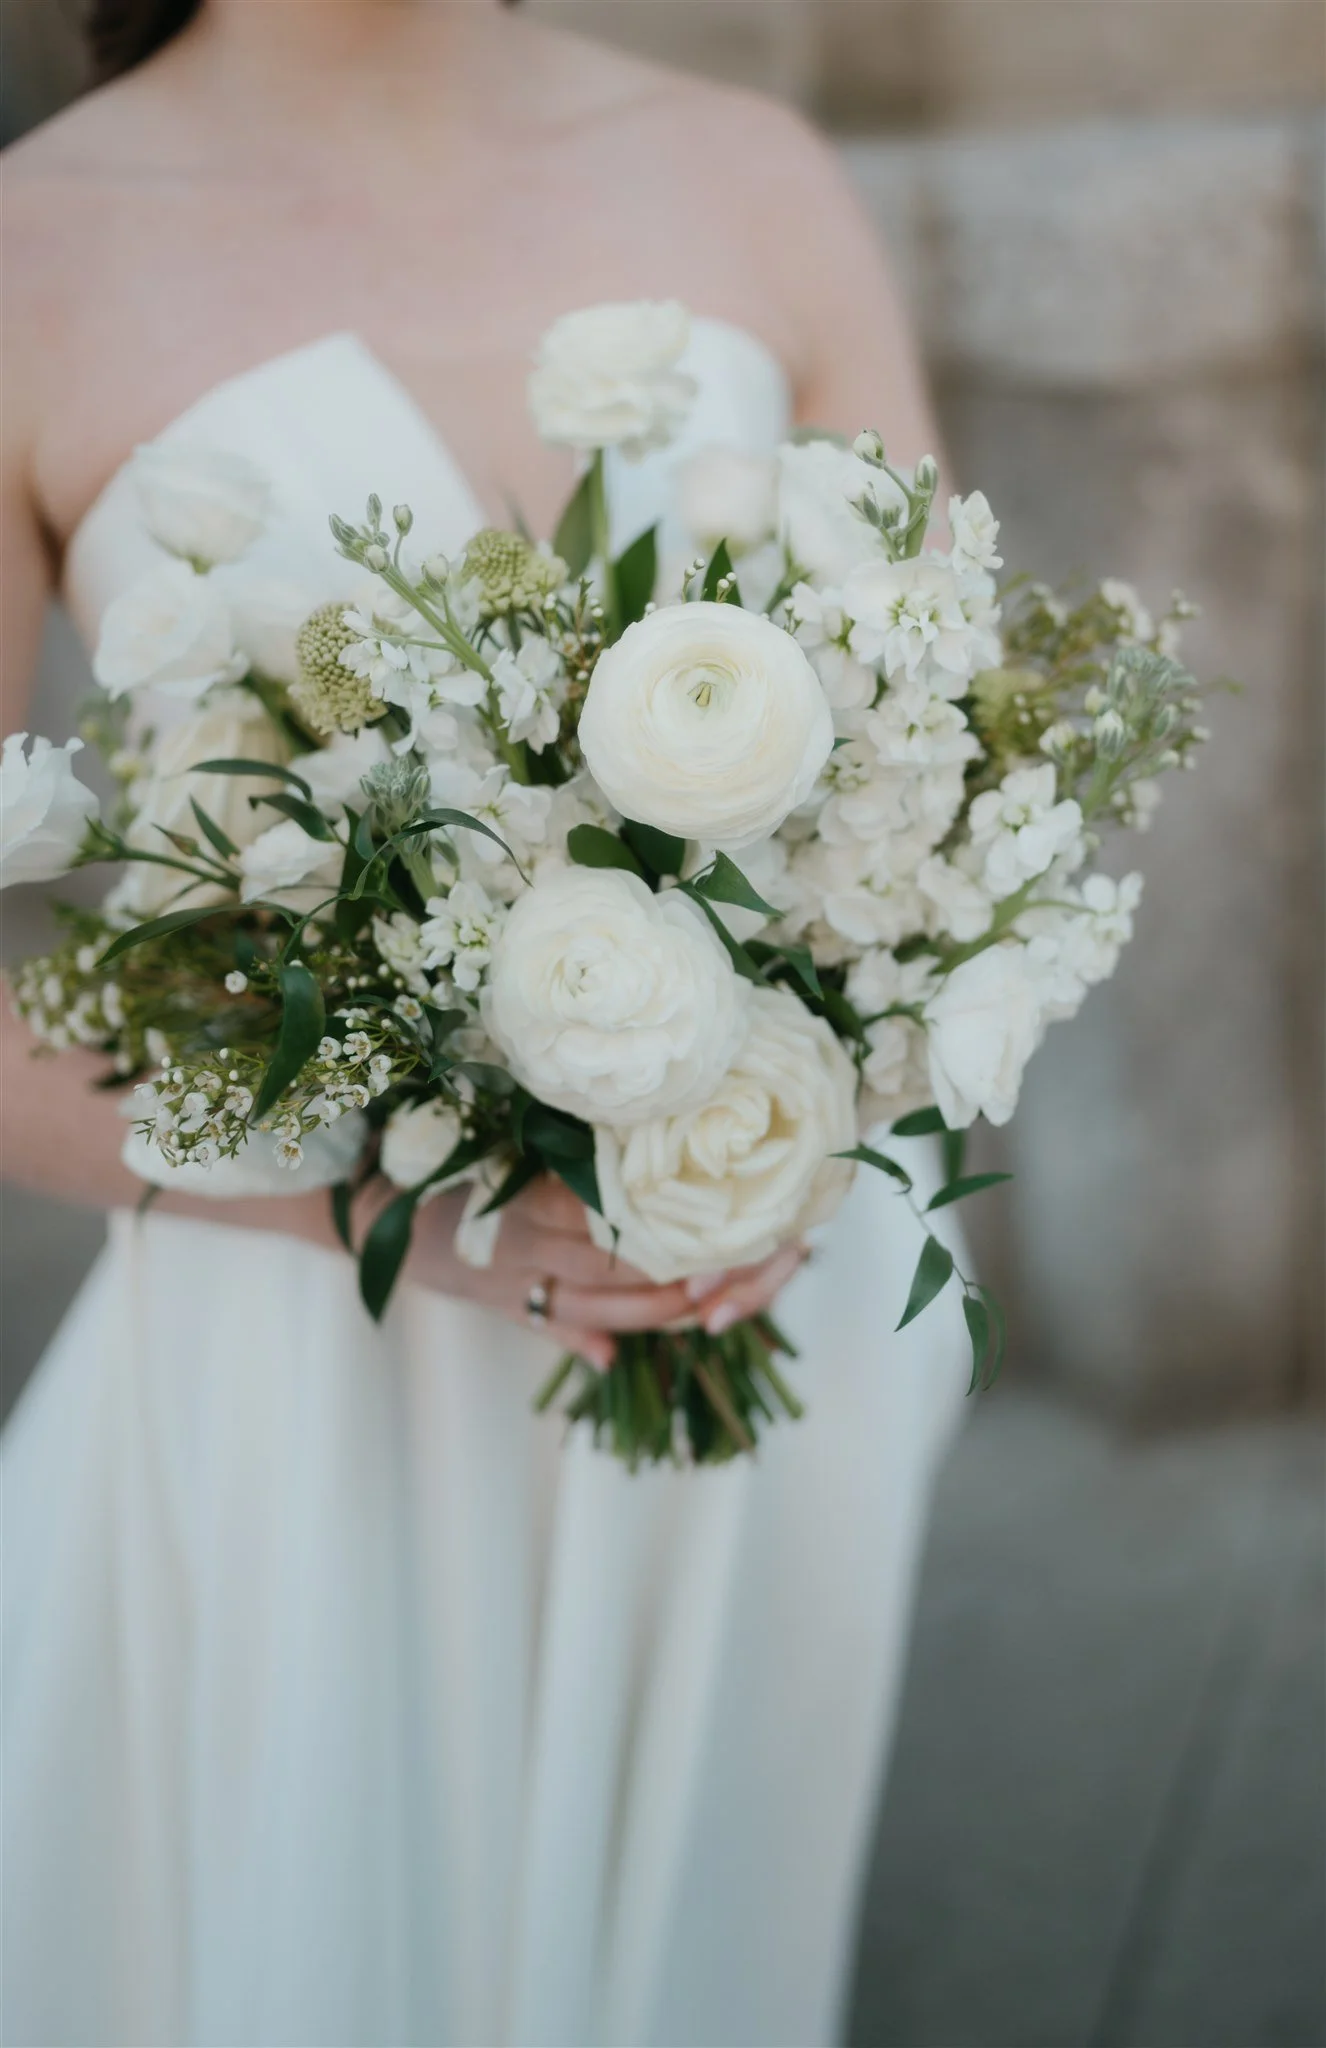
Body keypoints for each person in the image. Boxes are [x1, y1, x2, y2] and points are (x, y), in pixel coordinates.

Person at [1, 5, 967, 2041]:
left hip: (755, 1297)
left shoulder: (752, 172)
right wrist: (396, 1202)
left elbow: (945, 761)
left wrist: (818, 1069)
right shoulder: (36, 250)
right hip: (302, 1386)